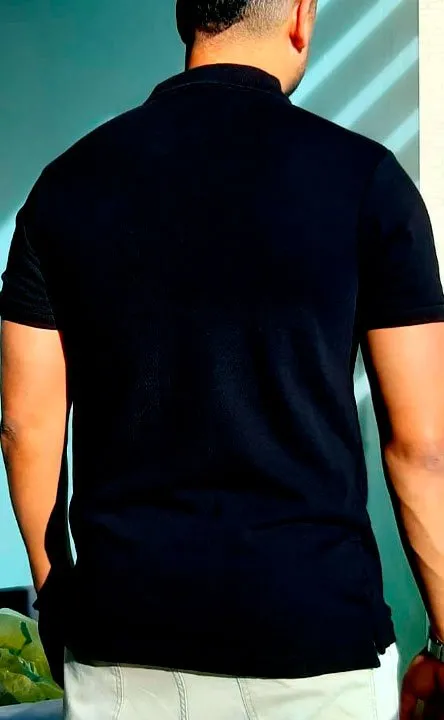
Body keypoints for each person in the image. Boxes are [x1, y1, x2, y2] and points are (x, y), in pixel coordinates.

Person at [1, 0, 444, 717]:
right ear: (300, 15)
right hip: (314, 644)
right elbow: (423, 448)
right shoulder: (367, 180)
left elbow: (24, 426)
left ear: (188, 19)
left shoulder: (63, 187)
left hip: (123, 644)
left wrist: (58, 602)